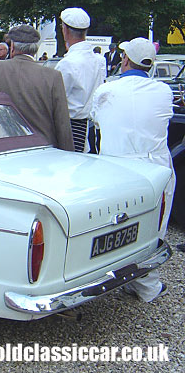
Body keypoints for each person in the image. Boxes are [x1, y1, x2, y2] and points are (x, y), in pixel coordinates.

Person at [90, 37, 173, 302]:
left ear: (125, 59)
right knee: (154, 227)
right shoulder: (163, 91)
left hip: (117, 166)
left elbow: (96, 120)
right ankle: (147, 285)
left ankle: (107, 276)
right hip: (155, 165)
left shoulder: (107, 90)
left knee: (114, 226)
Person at [0, 25, 74, 151]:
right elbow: (62, 123)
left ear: (12, 47)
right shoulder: (52, 76)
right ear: (35, 49)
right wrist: (67, 155)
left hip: (1, 149)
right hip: (43, 151)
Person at [55, 7, 105, 152]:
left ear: (65, 30)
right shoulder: (98, 60)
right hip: (91, 128)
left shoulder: (67, 63)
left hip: (72, 128)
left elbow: (57, 99)